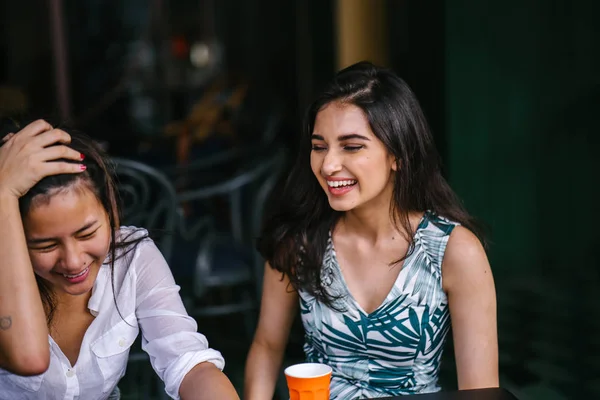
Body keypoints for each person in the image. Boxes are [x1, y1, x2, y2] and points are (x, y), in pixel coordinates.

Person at [244, 61, 498, 399]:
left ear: (398, 155)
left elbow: (480, 391)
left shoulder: (454, 251)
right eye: (319, 147)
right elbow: (266, 345)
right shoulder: (299, 244)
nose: (329, 164)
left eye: (351, 146)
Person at [0, 119, 240, 400]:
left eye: (86, 232)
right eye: (46, 245)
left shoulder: (132, 256)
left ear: (110, 211)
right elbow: (29, 358)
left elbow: (189, 363)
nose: (74, 261)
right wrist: (4, 192)